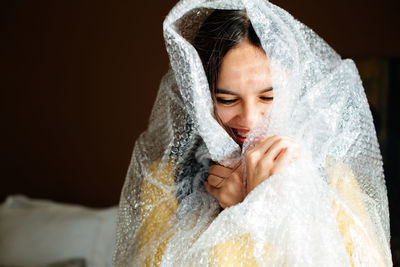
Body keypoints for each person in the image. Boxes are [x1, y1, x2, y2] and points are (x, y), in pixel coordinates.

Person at [113, 1, 392, 266]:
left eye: (268, 97)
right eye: (227, 99)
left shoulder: (333, 178)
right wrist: (235, 216)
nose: (249, 119)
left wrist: (261, 209)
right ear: (201, 97)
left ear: (290, 90)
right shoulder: (164, 183)